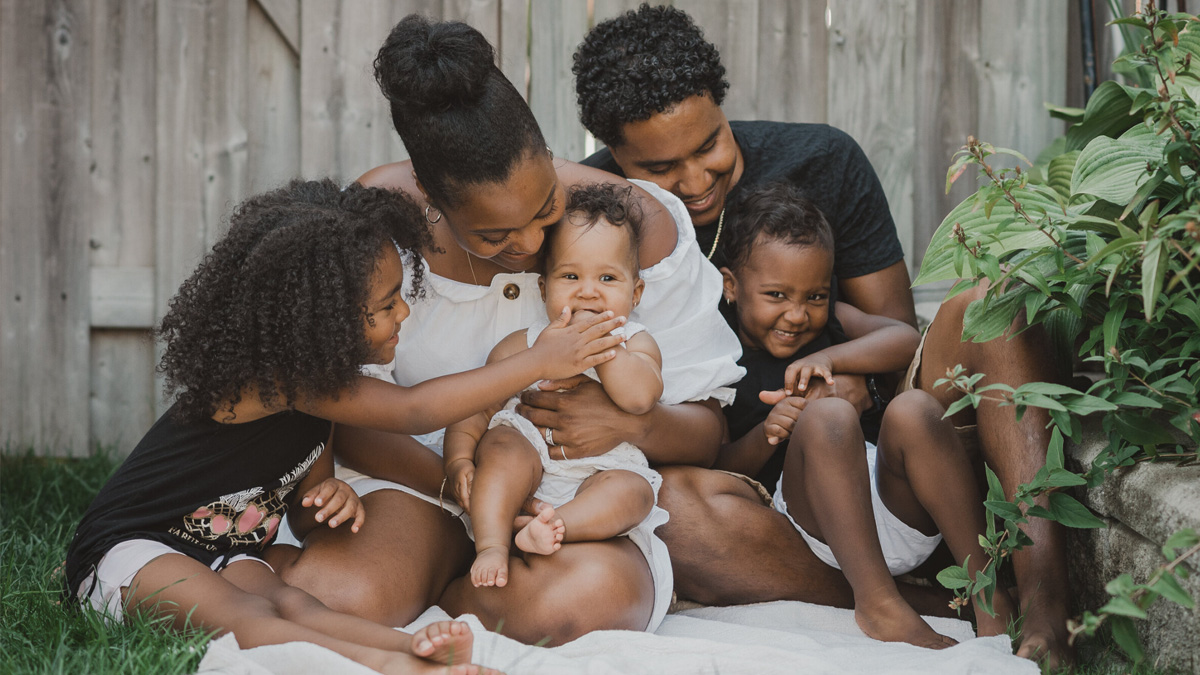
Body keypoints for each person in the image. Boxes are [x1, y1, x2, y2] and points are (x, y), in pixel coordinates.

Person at [572, 5, 1073, 666]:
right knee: (659, 507)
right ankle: (895, 598)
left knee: (994, 305)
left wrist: (851, 380)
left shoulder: (822, 158)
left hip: (884, 460)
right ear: (612, 158)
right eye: (661, 168)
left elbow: (898, 340)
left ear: (721, 107)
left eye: (708, 145)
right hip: (748, 499)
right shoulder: (602, 219)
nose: (695, 182)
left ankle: (1043, 594)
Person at [267, 15, 744, 646]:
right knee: (339, 596)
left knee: (587, 597)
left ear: (550, 155)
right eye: (494, 235)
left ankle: (456, 594)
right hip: (415, 486)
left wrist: (628, 425)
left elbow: (706, 429)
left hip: (569, 498)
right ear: (430, 194)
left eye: (545, 209)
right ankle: (429, 573)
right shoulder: (378, 221)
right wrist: (465, 486)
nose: (529, 245)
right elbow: (348, 409)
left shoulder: (627, 223)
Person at [62, 179, 637, 675]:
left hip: (225, 550)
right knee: (249, 618)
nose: (403, 314)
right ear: (321, 323)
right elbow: (414, 409)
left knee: (298, 606)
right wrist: (537, 361)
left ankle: (412, 649)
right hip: (131, 550)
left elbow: (302, 501)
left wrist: (328, 497)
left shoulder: (317, 389)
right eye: (384, 307)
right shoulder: (279, 379)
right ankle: (391, 667)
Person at [716, 182, 1016, 647]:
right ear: (731, 286)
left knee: (914, 408)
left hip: (894, 508)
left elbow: (903, 338)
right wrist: (767, 433)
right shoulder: (720, 361)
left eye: (813, 296)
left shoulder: (831, 326)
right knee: (829, 417)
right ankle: (878, 604)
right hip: (817, 526)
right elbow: (719, 468)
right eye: (777, 295)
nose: (798, 314)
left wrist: (835, 359)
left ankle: (988, 594)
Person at [445, 184, 671, 631]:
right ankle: (491, 545)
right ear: (545, 287)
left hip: (601, 468)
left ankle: (554, 526)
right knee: (503, 444)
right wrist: (458, 459)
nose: (588, 293)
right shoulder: (524, 344)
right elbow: (474, 408)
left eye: (607, 279)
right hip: (530, 451)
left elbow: (640, 398)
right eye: (571, 278)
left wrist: (605, 351)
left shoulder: (635, 343)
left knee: (635, 493)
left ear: (636, 292)